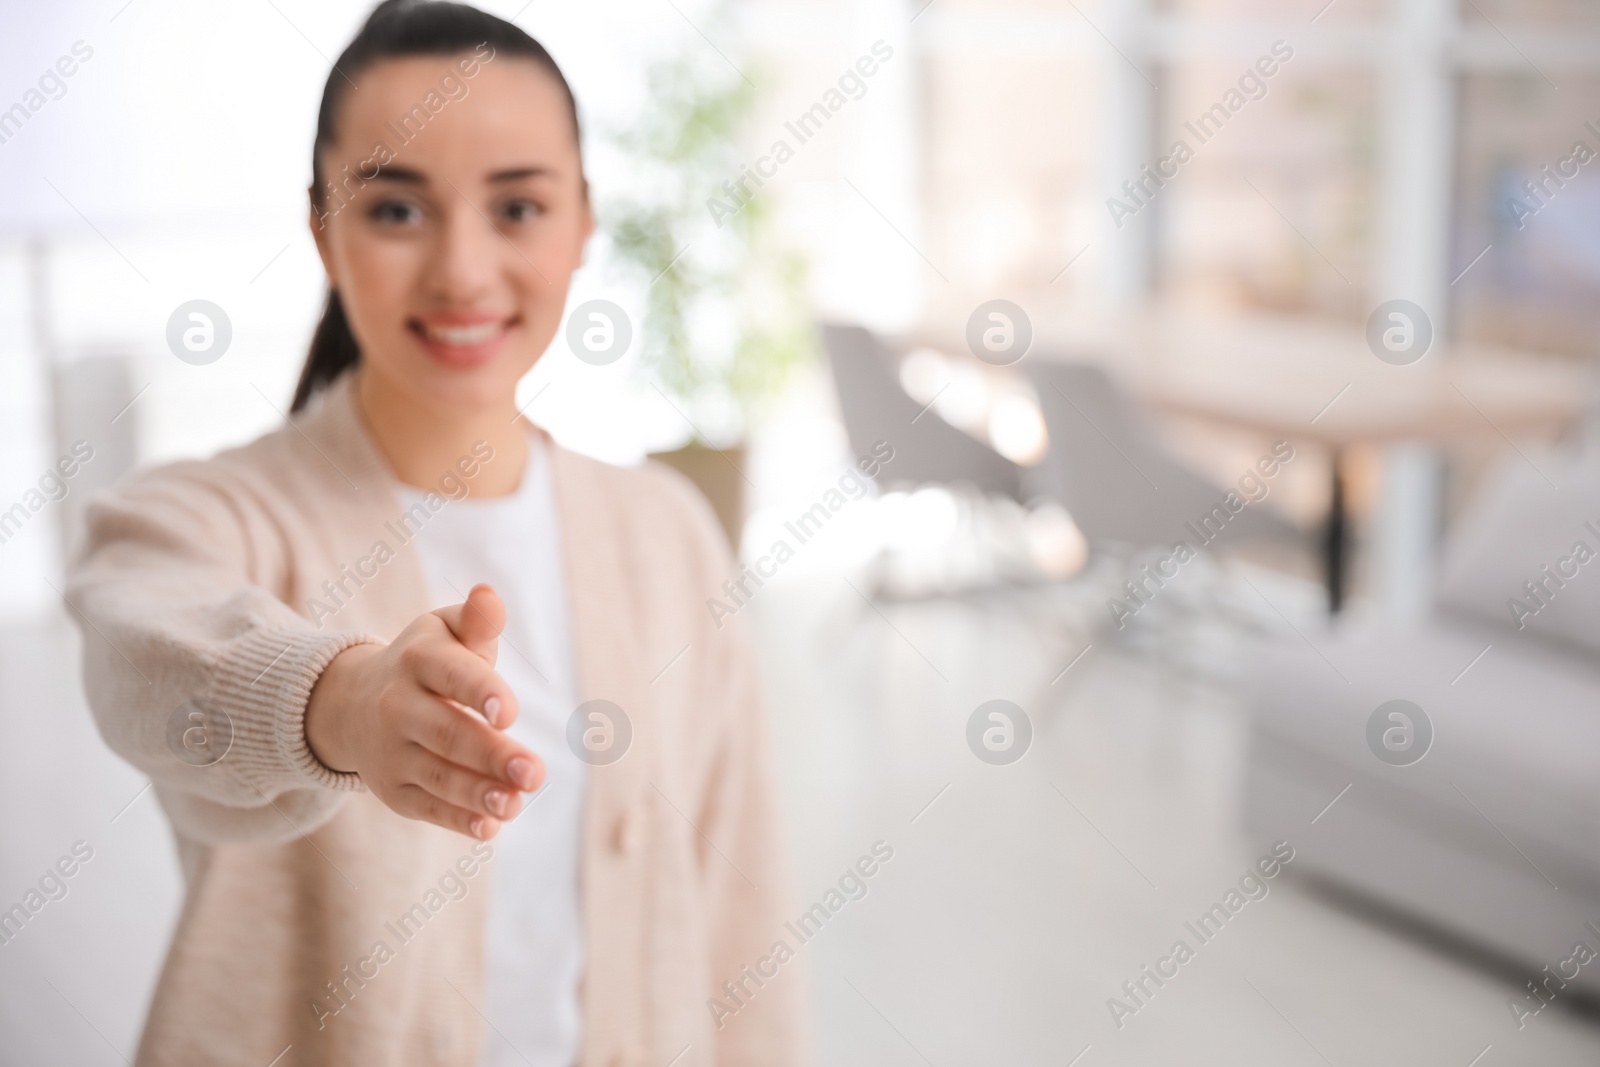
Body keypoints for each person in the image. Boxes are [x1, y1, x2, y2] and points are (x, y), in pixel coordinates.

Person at [65, 2, 803, 1064]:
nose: (461, 270)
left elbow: (741, 911)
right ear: (323, 227)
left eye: (517, 207)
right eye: (397, 210)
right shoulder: (204, 514)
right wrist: (340, 703)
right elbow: (144, 656)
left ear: (583, 223)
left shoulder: (667, 532)